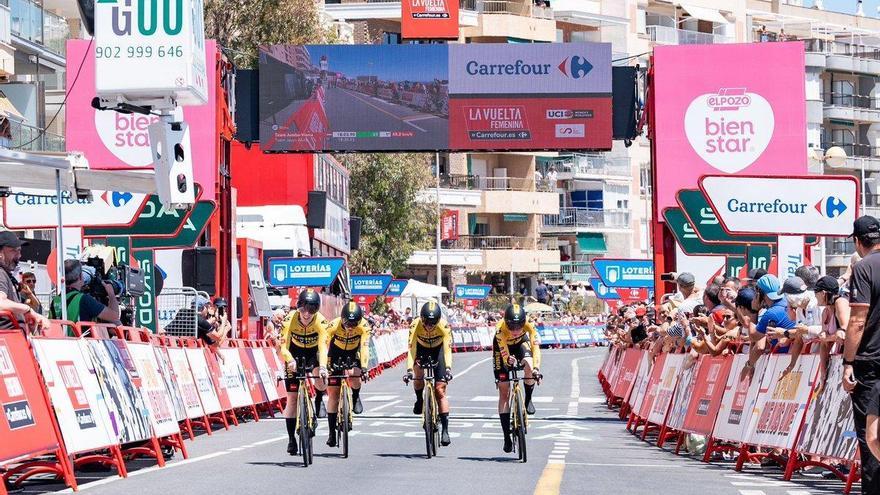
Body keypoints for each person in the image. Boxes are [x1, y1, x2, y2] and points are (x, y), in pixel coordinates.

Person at [842, 216, 880, 493]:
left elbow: (857, 319)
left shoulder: (863, 267)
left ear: (858, 241)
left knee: (872, 439)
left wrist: (848, 362)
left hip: (872, 363)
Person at [279, 289, 330, 456]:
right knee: (292, 399)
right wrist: (290, 360)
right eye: (303, 309)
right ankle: (291, 439)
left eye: (312, 310)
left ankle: (320, 398)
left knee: (322, 380)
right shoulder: (289, 320)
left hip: (313, 354)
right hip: (294, 353)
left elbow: (323, 347)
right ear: (298, 307)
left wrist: (323, 367)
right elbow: (283, 347)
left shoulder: (321, 322)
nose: (307, 314)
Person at [493, 304, 542, 453]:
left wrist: (536, 369)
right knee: (504, 391)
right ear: (506, 323)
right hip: (503, 351)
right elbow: (505, 355)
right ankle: (506, 437)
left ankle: (528, 399)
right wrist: (509, 361)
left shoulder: (529, 325)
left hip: (521, 344)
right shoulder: (500, 330)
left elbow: (536, 350)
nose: (515, 330)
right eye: (511, 327)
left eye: (518, 326)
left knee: (528, 361)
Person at [405, 301, 453, 447]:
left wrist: (448, 368)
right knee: (417, 373)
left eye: (433, 323)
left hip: (438, 351)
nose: (429, 326)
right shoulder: (415, 325)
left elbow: (447, 350)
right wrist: (408, 370)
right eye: (426, 322)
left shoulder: (444, 326)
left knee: (440, 390)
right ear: (422, 319)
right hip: (421, 349)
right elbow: (411, 349)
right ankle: (419, 399)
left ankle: (445, 430)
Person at [324, 302, 371, 447]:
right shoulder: (333, 325)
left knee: (355, 375)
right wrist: (324, 366)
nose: (350, 328)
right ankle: (332, 433)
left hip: (353, 352)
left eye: (354, 324)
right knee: (333, 394)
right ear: (342, 319)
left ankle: (355, 396)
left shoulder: (364, 326)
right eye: (347, 324)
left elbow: (364, 348)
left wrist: (364, 367)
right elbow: (324, 345)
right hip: (335, 353)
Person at [742, 274, 795, 379]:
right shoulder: (787, 302)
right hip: (790, 356)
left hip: (782, 360)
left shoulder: (771, 313)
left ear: (760, 294)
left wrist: (754, 311)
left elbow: (753, 336)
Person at [49, 260, 121, 329]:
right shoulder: (84, 299)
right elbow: (114, 316)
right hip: (81, 340)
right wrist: (111, 294)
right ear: (80, 276)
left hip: (60, 341)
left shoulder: (55, 300)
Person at [0, 232, 46, 331]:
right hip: (8, 339)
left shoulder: (7, 275)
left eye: (19, 250)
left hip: (14, 338)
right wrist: (27, 309)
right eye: (13, 251)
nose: (19, 255)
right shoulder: (1, 273)